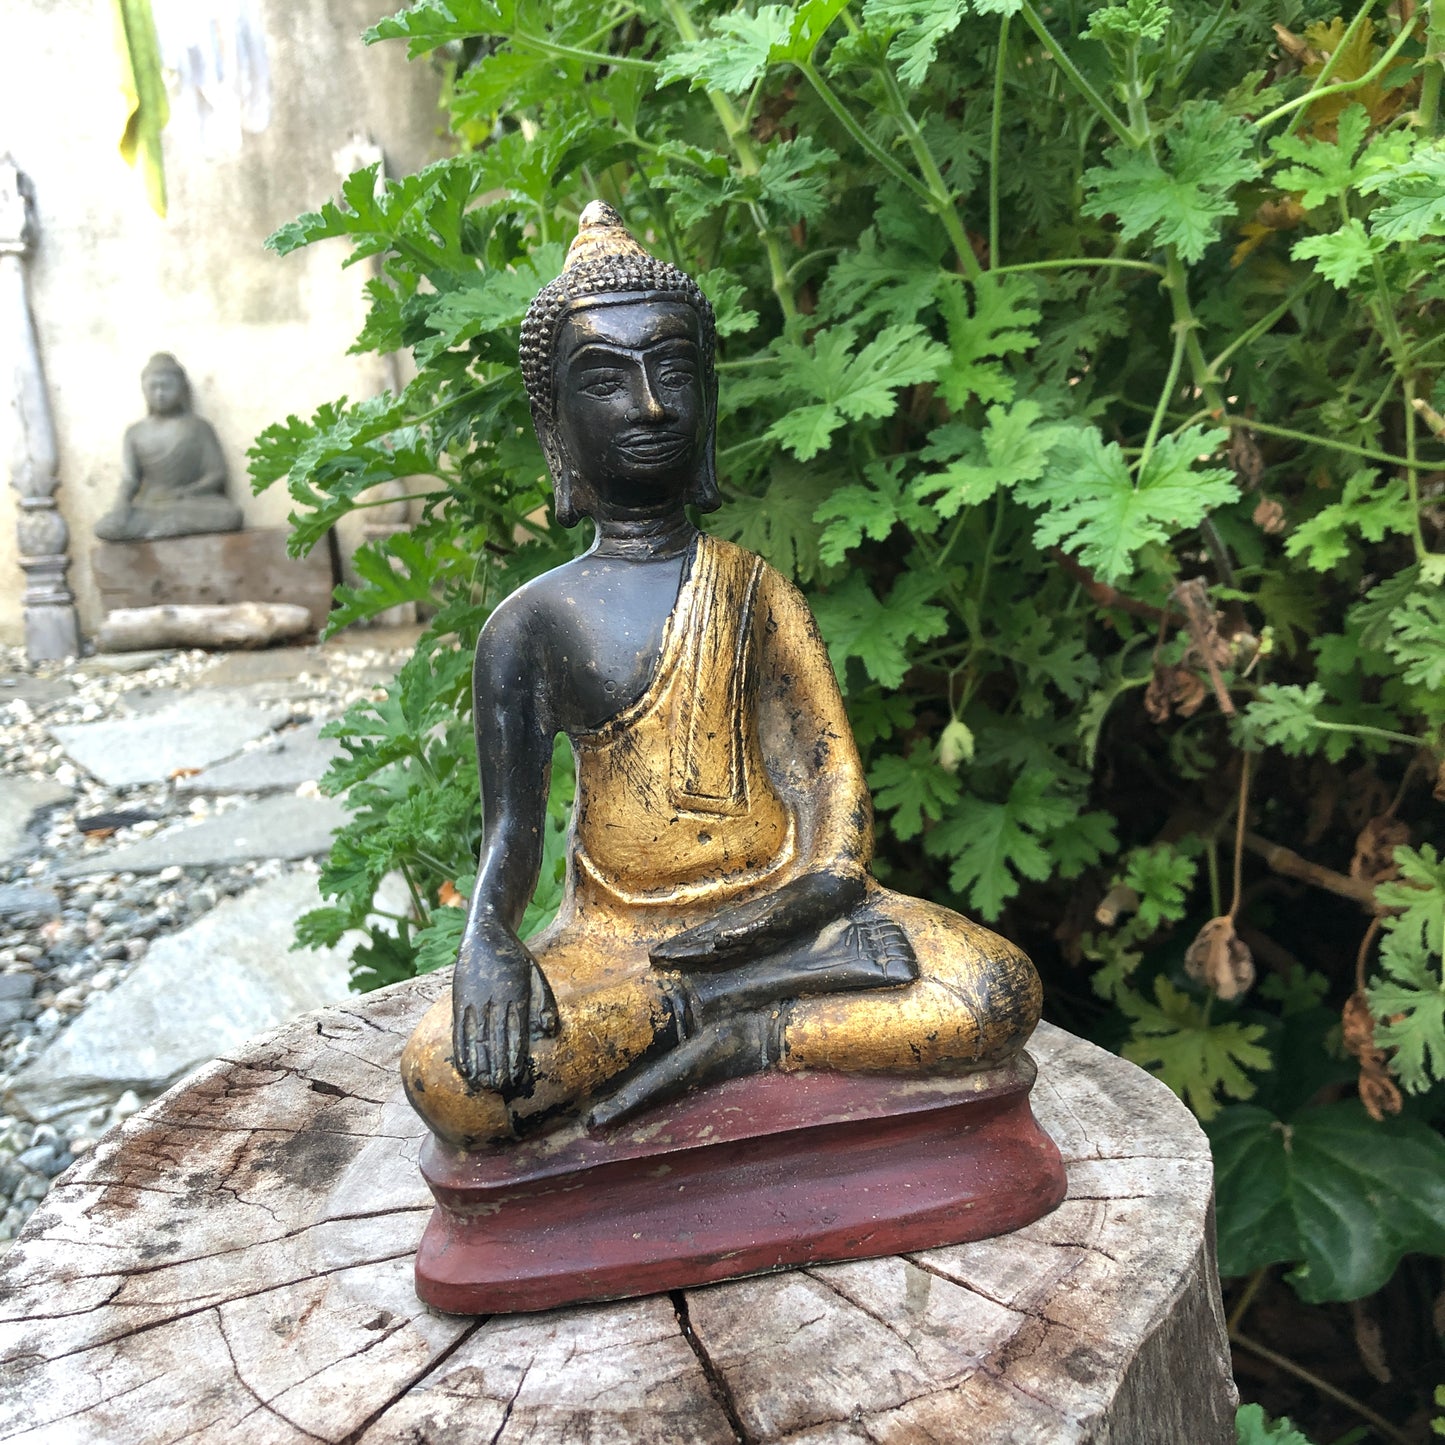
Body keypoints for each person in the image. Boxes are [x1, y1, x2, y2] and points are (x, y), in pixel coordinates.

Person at [401, 204, 1041, 1149]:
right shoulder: (532, 622)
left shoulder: (753, 586)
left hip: (795, 914)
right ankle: (743, 1006)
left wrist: (820, 888)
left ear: (706, 397)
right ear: (555, 422)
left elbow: (829, 775)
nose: (649, 406)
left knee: (996, 990)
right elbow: (511, 834)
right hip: (623, 943)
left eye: (671, 373)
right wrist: (487, 939)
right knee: (454, 1079)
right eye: (605, 381)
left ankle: (752, 1037)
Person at [95, 353, 242, 541]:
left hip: (191, 502)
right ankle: (164, 526)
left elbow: (217, 474)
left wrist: (186, 493)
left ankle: (164, 527)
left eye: (167, 387)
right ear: (144, 390)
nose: (160, 394)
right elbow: (130, 480)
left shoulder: (198, 427)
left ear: (181, 389)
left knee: (230, 515)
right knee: (105, 527)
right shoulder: (135, 432)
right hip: (152, 505)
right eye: (153, 387)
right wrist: (120, 507)